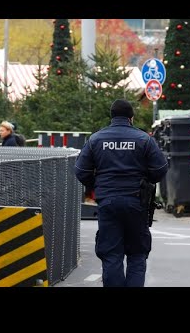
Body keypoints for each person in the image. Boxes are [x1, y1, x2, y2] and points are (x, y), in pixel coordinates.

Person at [74, 99, 168, 287]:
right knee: (136, 254)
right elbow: (160, 169)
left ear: (112, 116)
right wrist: (144, 180)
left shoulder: (96, 139)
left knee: (111, 254)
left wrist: (98, 186)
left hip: (107, 202)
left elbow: (81, 171)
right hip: (137, 202)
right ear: (131, 118)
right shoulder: (144, 139)